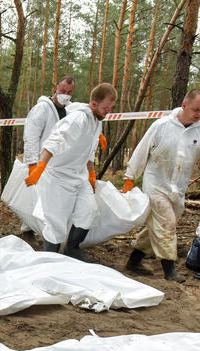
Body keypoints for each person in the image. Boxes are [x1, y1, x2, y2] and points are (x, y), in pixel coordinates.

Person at [122, 89, 200, 282]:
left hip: (178, 189)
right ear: (184, 105)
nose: (199, 113)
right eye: (196, 109)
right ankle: (169, 270)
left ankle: (134, 261)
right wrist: (130, 176)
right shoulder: (161, 126)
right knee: (167, 223)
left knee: (159, 226)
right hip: (155, 185)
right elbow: (141, 150)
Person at [25, 83, 117, 260]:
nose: (109, 112)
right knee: (56, 222)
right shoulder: (78, 119)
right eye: (106, 108)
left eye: (111, 108)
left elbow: (88, 153)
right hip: (58, 176)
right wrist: (39, 167)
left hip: (79, 175)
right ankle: (50, 259)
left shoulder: (97, 121)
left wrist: (91, 174)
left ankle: (72, 248)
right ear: (94, 104)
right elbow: (55, 140)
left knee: (89, 211)